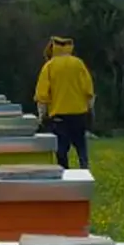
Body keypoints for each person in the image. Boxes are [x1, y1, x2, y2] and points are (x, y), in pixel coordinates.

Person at [35, 36, 95, 170]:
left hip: (59, 117)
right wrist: (90, 111)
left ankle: (65, 181)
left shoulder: (49, 66)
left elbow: (42, 96)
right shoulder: (79, 64)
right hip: (79, 115)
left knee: (61, 153)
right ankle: (85, 174)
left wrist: (41, 117)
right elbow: (88, 91)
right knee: (81, 149)